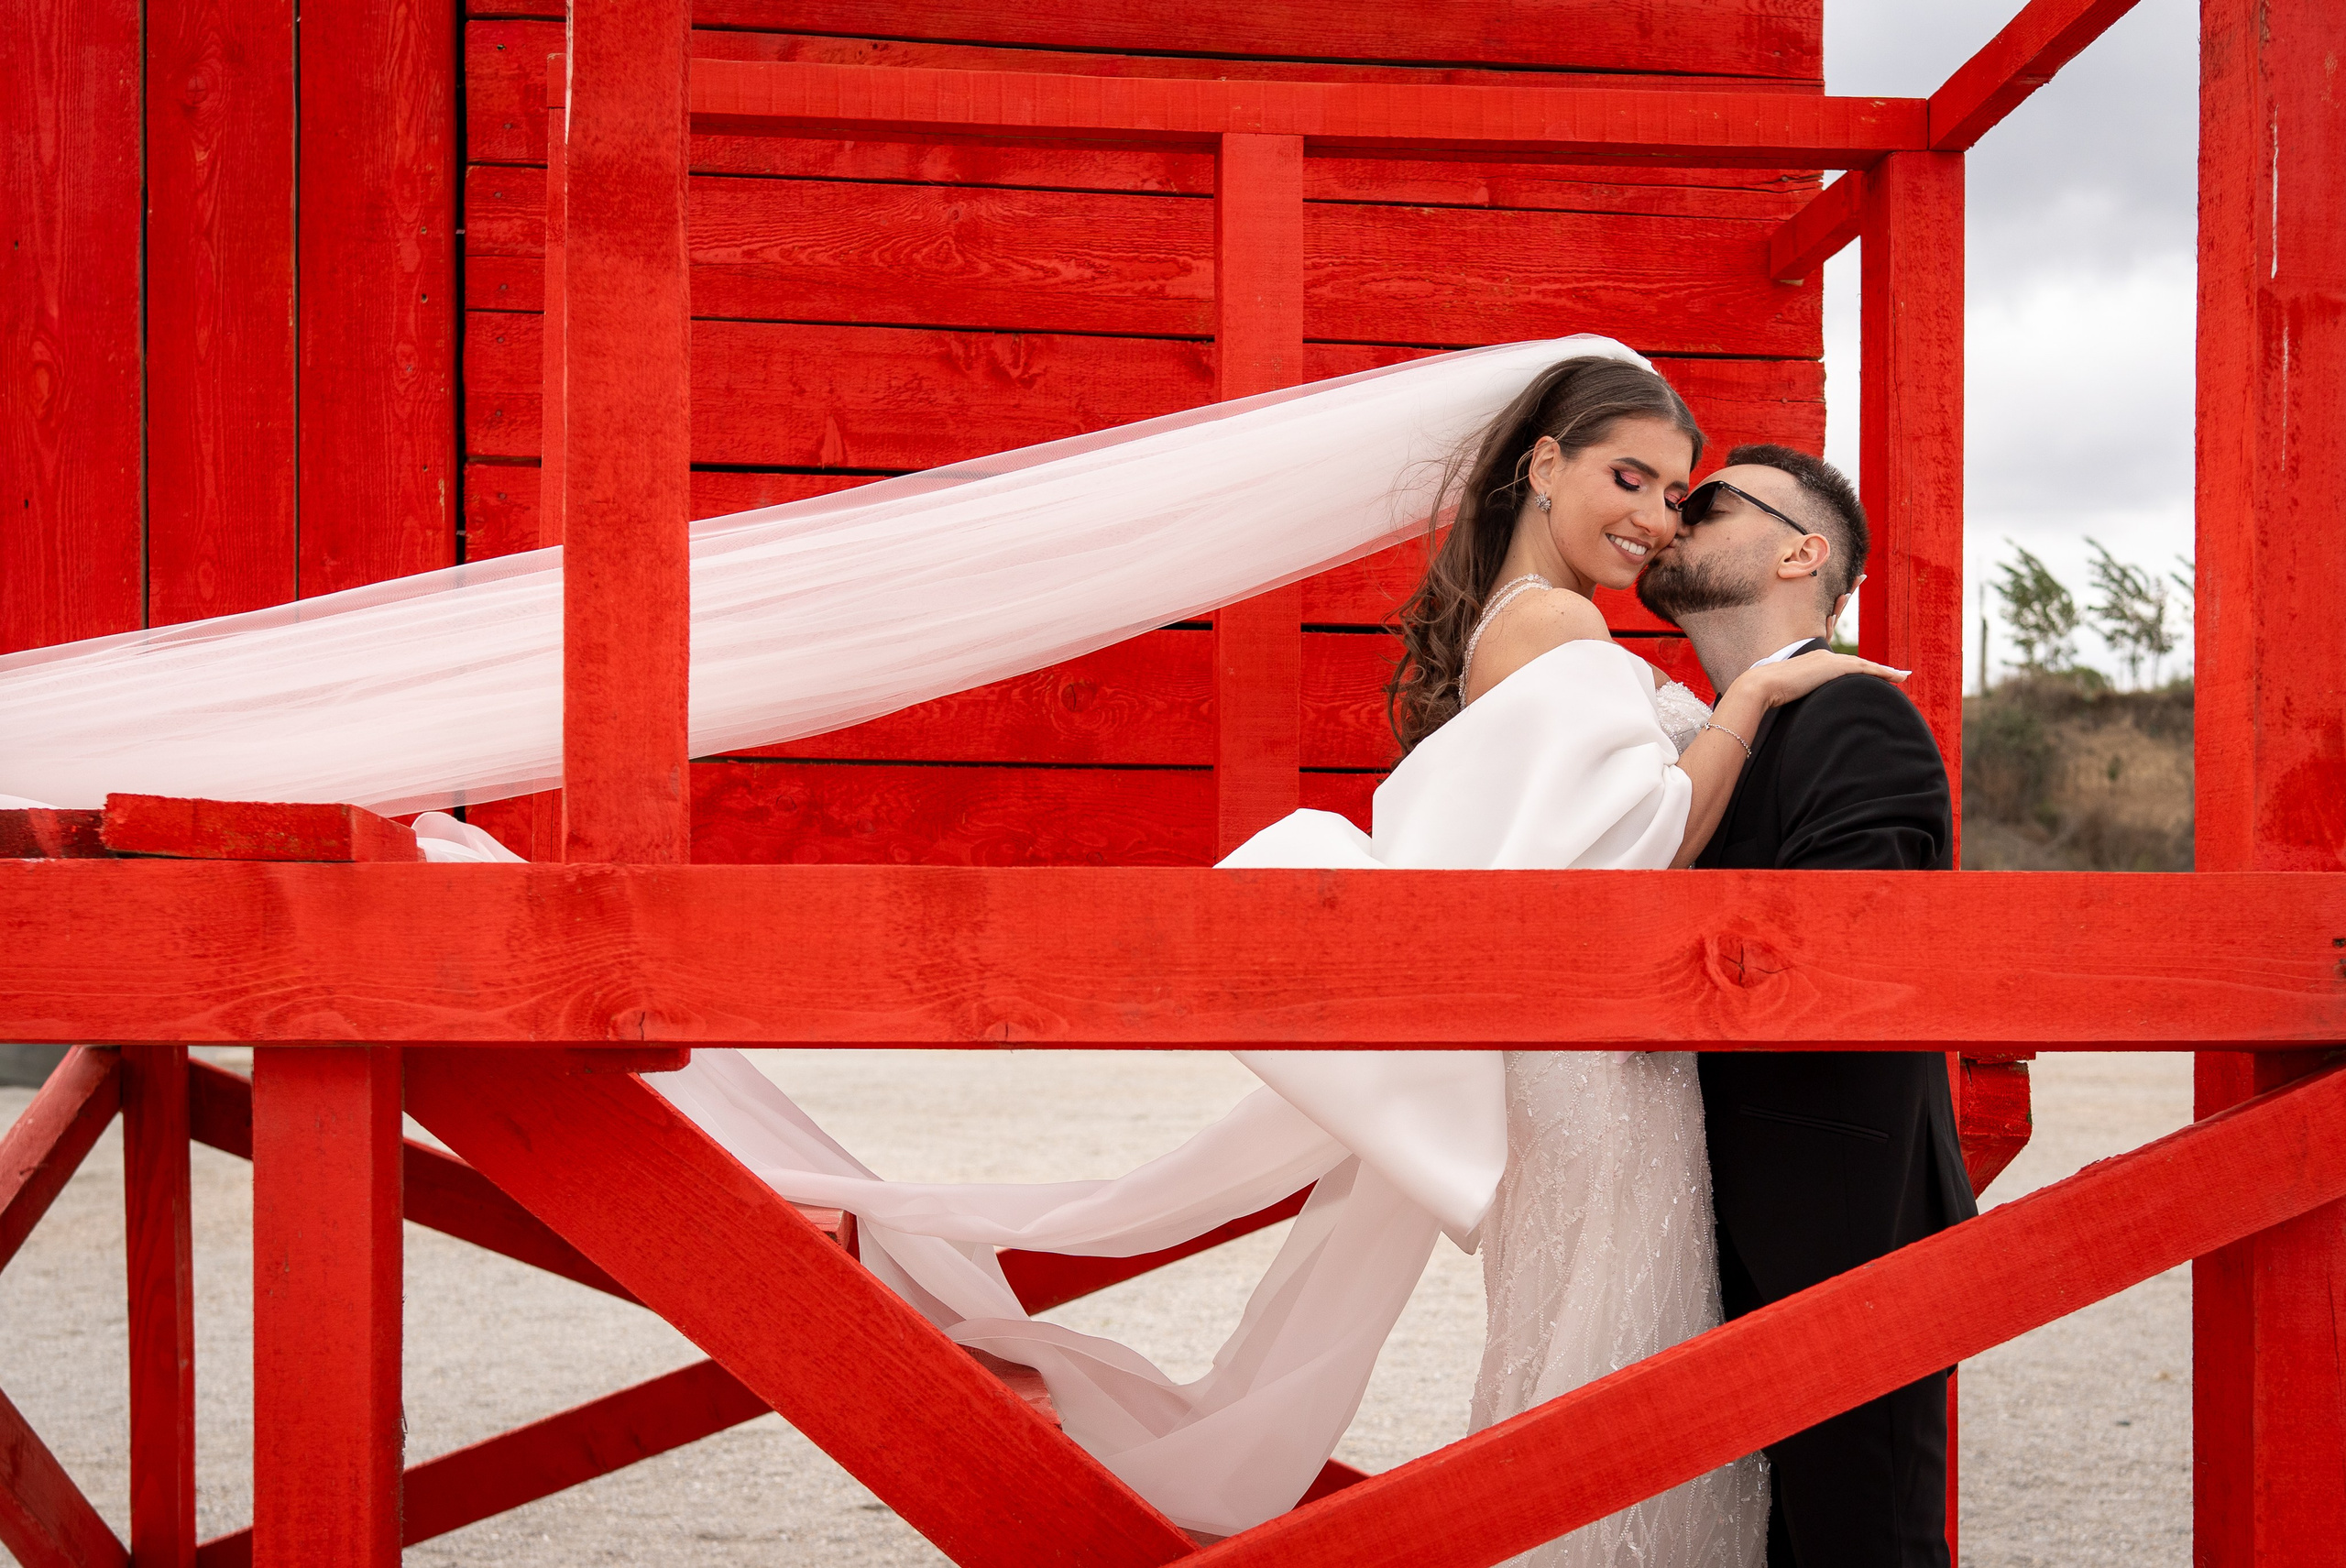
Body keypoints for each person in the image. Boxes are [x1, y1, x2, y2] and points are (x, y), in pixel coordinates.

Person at [1637, 445, 1973, 1568]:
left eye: (1705, 500)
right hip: (1714, 1214)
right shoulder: (1711, 736)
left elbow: (1843, 965)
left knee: (1858, 1546)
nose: (1674, 514)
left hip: (1836, 1231)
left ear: (1801, 553)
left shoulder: (1855, 715)